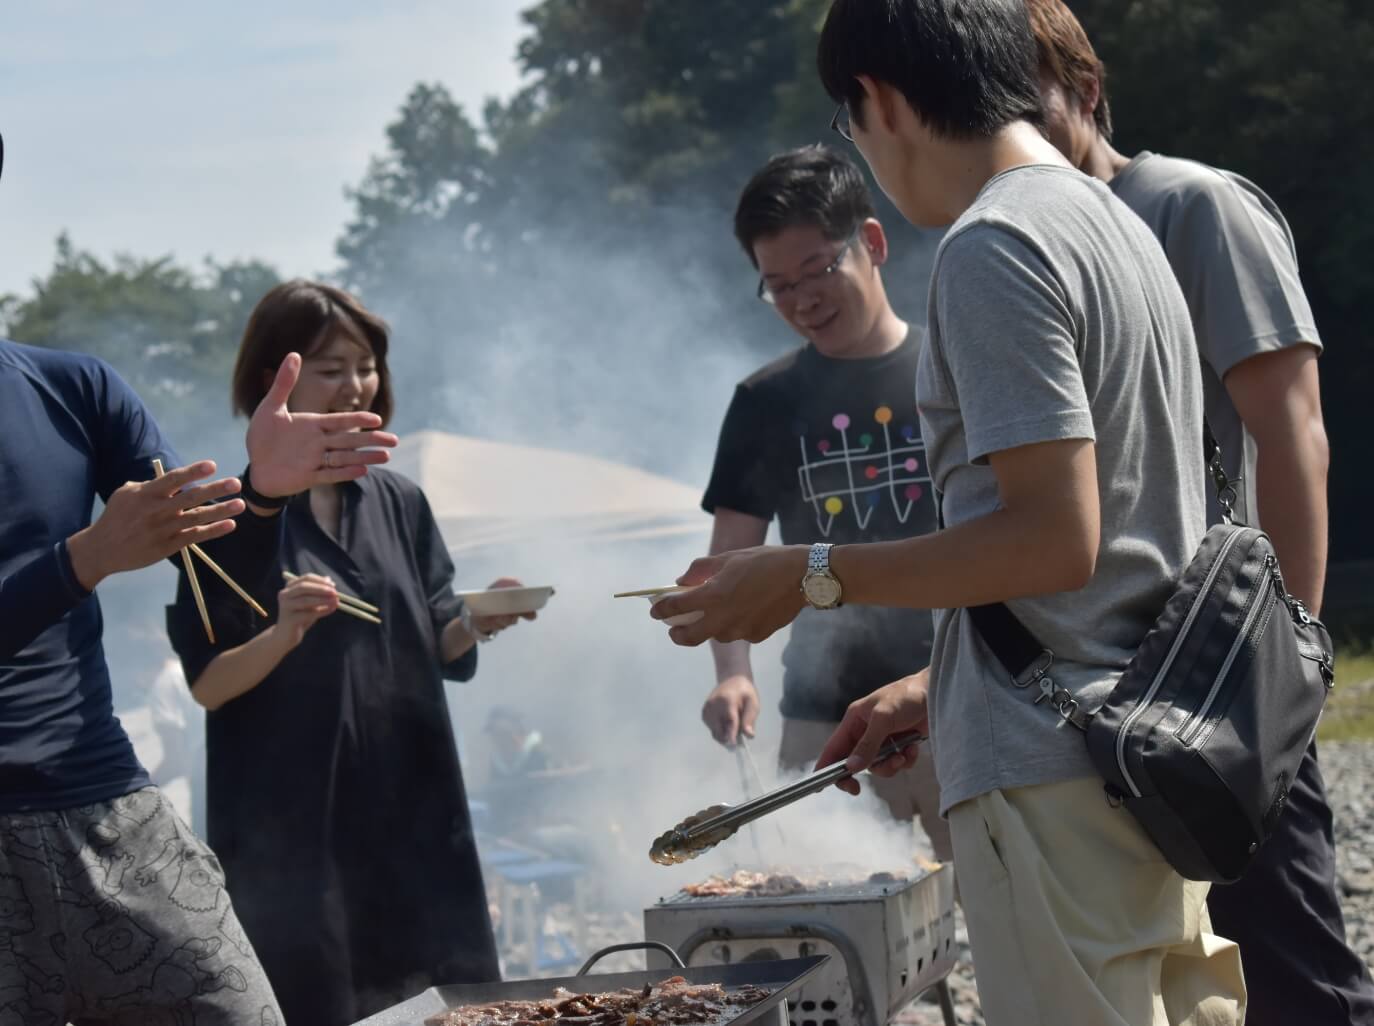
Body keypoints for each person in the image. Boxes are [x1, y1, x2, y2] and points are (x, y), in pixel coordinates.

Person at [651, 1, 1248, 1022]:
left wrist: (810, 573)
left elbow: (1054, 539)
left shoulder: (994, 244)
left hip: (1057, 779)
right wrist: (941, 683)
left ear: (878, 101)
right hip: (1141, 751)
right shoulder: (1117, 222)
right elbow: (1131, 547)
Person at [0, 129, 399, 1022]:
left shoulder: (74, 389)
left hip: (105, 804)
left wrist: (262, 493)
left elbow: (218, 592)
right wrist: (86, 559)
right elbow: (93, 559)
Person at [1024, 3, 1370, 1022]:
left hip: (1223, 672)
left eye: (1028, 99)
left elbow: (1294, 432)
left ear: (1085, 92)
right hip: (1114, 685)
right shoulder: (1027, 244)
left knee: (1293, 973)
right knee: (1185, 981)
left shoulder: (1191, 205)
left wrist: (1285, 672)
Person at [168, 280, 536, 1025]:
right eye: (331, 368)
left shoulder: (400, 501)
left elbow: (437, 639)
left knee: (442, 1002)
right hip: (296, 838)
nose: (355, 385)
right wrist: (283, 632)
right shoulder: (226, 516)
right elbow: (209, 685)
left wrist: (481, 620)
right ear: (276, 377)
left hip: (413, 809)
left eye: (365, 366)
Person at [700, 144, 950, 863]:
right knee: (830, 928)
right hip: (821, 716)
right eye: (778, 285)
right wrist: (733, 674)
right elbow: (729, 562)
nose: (803, 299)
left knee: (994, 926)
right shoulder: (763, 403)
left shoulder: (950, 370)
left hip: (952, 699)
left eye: (818, 269)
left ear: (871, 243)